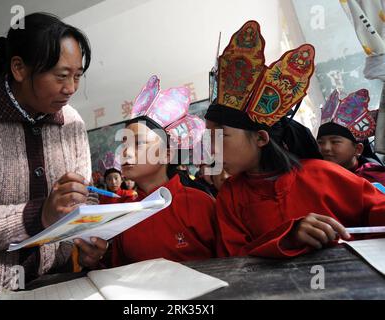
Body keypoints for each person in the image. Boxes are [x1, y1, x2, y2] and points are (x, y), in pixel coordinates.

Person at [0, 13, 107, 300]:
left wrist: (88, 239)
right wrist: (39, 215)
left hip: (57, 286)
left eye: (77, 77)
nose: (71, 89)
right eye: (61, 76)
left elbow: (85, 199)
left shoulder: (72, 123)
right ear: (19, 68)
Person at [205, 21, 385, 259]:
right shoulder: (230, 197)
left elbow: (376, 208)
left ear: (260, 138)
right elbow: (232, 260)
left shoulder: (323, 174)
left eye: (221, 136)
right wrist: (287, 237)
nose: (211, 150)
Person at [110, 75, 218, 266]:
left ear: (167, 155)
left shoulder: (199, 204)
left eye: (139, 142)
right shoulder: (125, 213)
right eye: (124, 143)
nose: (125, 151)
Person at [317, 89, 385, 184]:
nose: (325, 148)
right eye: (320, 142)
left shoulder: (374, 180)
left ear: (358, 149)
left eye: (335, 142)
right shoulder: (315, 173)